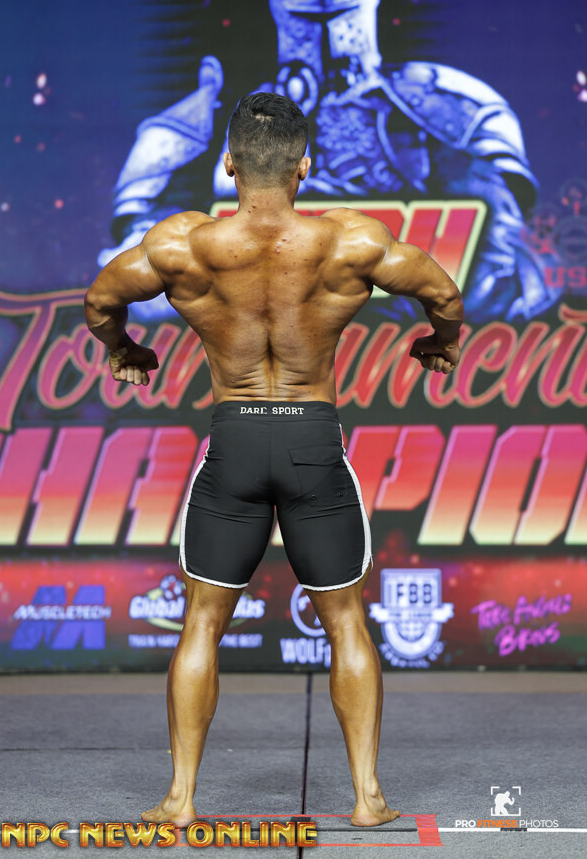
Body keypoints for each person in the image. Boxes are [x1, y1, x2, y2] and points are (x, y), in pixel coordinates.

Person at [84, 92, 463, 828]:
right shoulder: (348, 241)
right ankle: (367, 798)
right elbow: (443, 295)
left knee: (201, 623)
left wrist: (125, 350)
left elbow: (101, 301)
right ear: (304, 166)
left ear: (228, 164)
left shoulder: (184, 245)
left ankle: (180, 799)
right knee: (345, 621)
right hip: (312, 440)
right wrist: (438, 343)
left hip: (234, 440)